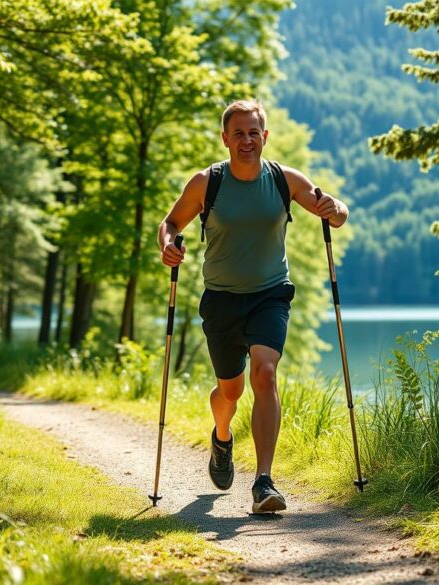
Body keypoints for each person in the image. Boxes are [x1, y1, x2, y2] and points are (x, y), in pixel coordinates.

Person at [156, 99, 348, 513]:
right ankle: (222, 437)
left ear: (265, 136)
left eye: (254, 132)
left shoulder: (284, 179)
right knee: (231, 390)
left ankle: (263, 481)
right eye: (238, 133)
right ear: (225, 138)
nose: (247, 139)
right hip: (222, 300)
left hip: (270, 294)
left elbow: (332, 208)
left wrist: (336, 210)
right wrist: (168, 245)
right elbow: (171, 224)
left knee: (264, 373)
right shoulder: (207, 183)